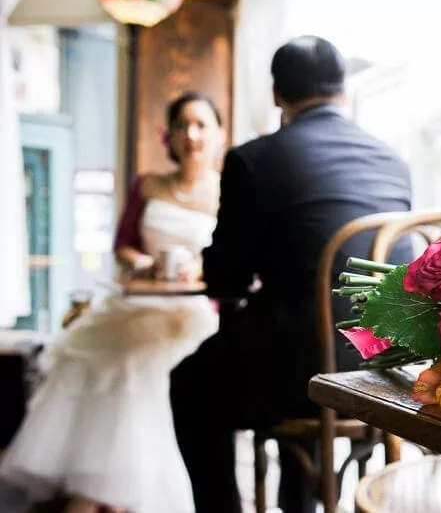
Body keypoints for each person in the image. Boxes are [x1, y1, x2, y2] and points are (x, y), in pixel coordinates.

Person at [170, 36, 414, 513]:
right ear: (343, 92)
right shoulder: (392, 162)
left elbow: (224, 279)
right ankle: (297, 501)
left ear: (276, 95)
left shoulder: (254, 160)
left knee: (191, 384)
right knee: (294, 332)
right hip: (384, 368)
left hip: (301, 374)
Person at [0, 92, 224, 513]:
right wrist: (146, 264)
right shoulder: (149, 185)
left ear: (218, 134)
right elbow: (123, 245)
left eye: (201, 125)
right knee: (89, 352)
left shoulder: (227, 191)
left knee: (133, 362)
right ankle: (97, 485)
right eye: (182, 125)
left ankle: (109, 494)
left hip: (192, 310)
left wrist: (199, 270)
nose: (191, 135)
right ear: (170, 136)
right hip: (140, 301)